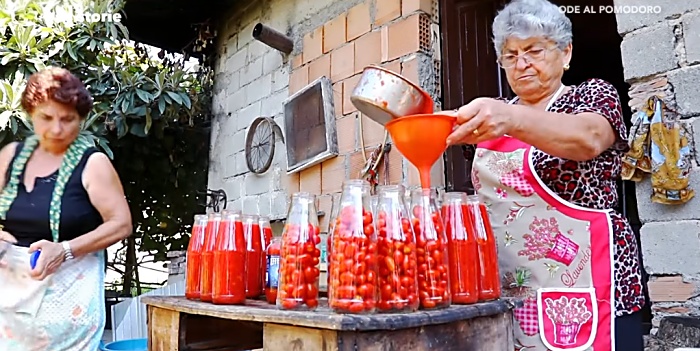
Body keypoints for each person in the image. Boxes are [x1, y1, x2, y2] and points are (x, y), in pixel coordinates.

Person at [445, 0, 645, 350]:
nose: (522, 63)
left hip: (589, 287)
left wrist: (509, 119)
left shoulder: (591, 96)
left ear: (565, 52)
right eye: (510, 55)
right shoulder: (490, 117)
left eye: (534, 50)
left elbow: (589, 138)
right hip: (510, 293)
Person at [0, 66, 132, 350]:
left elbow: (121, 223)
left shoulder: (92, 163)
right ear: (31, 114)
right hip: (11, 302)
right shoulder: (10, 157)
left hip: (68, 304)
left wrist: (64, 250)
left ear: (80, 120)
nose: (57, 129)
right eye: (46, 118)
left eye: (68, 119)